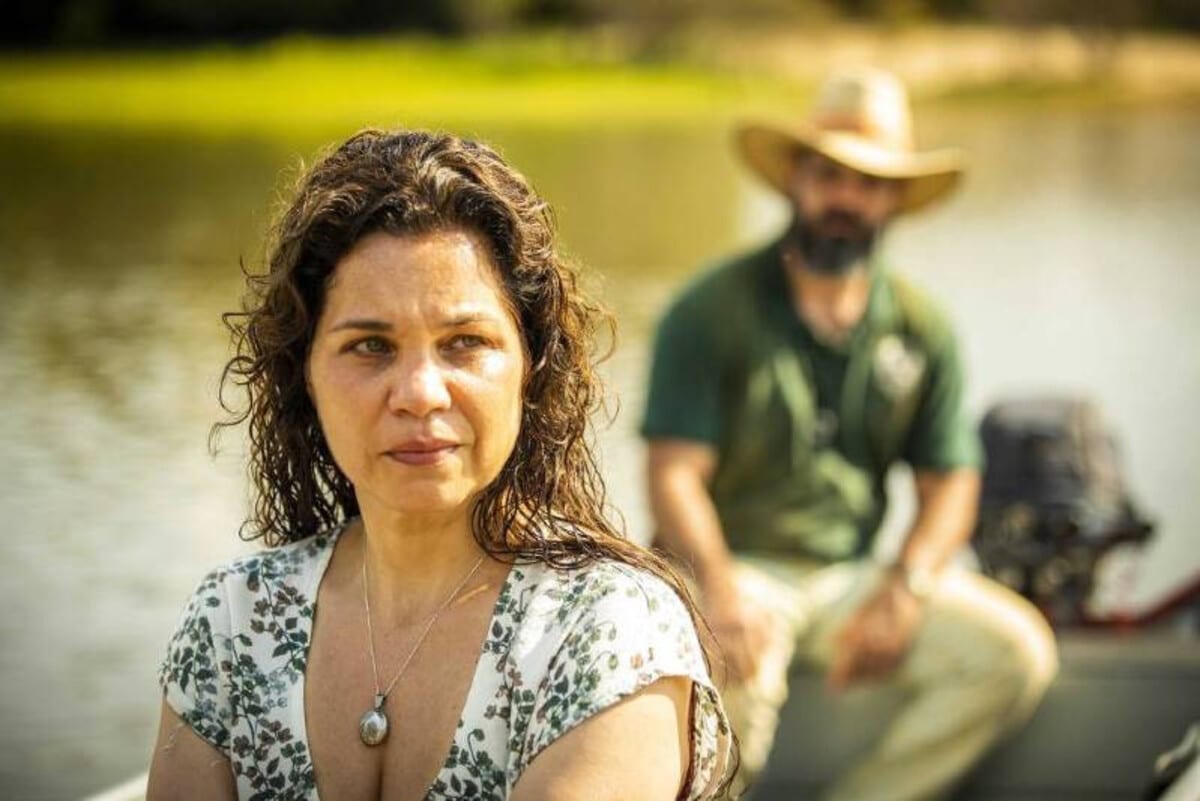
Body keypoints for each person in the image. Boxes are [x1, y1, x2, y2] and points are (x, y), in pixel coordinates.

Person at [147, 129, 733, 801]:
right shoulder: (233, 622)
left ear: (531, 370)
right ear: (303, 376)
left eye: (464, 342)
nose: (420, 391)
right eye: (370, 344)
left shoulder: (608, 631)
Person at [642, 68, 1058, 800]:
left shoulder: (922, 326)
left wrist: (907, 584)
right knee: (731, 677)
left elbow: (950, 479)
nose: (846, 197)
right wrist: (719, 586)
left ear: (894, 199)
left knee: (1015, 654)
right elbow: (673, 471)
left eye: (870, 182)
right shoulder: (712, 307)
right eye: (830, 174)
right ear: (796, 181)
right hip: (732, 564)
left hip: (851, 576)